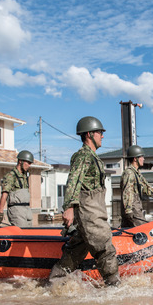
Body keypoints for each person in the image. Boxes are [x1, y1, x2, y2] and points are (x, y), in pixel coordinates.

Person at [49, 116, 120, 286]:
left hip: (94, 210)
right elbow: (74, 180)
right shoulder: (82, 156)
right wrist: (68, 208)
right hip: (89, 211)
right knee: (104, 248)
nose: (102, 135)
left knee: (77, 249)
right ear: (89, 134)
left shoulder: (93, 157)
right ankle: (114, 287)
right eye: (100, 132)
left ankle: (55, 283)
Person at [120, 144, 153, 227]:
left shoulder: (137, 174)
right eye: (141, 157)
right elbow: (127, 192)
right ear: (135, 159)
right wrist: (128, 210)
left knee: (129, 232)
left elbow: (148, 189)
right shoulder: (129, 173)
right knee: (143, 230)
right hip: (133, 209)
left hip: (134, 208)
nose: (144, 159)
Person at [0, 150, 34, 227]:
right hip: (16, 210)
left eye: (30, 163)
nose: (29, 165)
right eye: (28, 163)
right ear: (20, 161)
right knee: (21, 235)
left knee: (30, 234)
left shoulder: (24, 176)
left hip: (27, 209)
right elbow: (4, 194)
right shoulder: (11, 176)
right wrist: (0, 212)